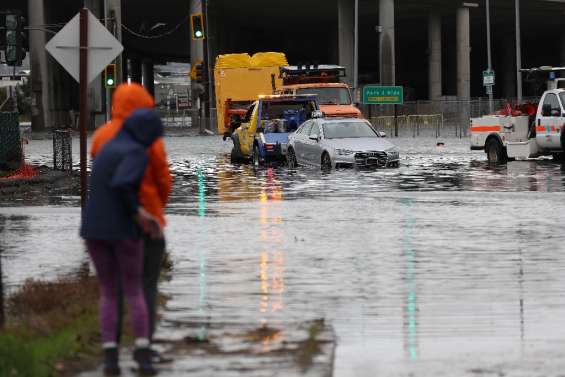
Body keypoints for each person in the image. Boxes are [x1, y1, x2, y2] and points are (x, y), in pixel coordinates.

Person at [91, 83, 173, 363]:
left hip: (109, 221)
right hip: (145, 221)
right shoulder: (149, 139)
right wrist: (156, 210)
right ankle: (144, 348)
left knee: (111, 289)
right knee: (145, 286)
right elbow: (163, 180)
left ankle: (111, 350)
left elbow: (100, 177)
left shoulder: (101, 137)